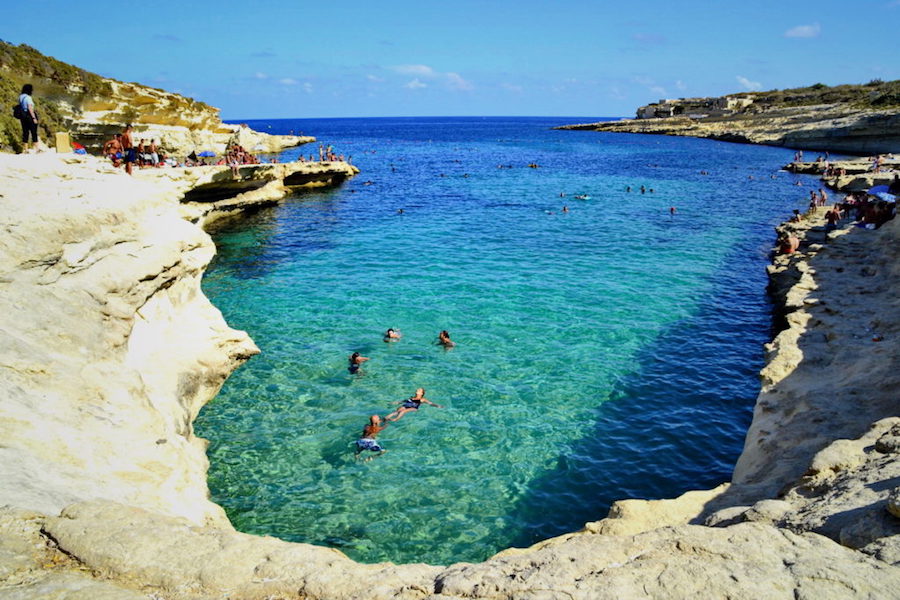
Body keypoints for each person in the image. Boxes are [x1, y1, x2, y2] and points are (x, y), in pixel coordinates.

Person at [17, 84, 39, 153]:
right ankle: (37, 149)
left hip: (23, 116)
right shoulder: (28, 97)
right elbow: (30, 107)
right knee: (33, 132)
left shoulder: (20, 97)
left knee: (25, 132)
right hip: (29, 116)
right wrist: (34, 118)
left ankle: (25, 149)